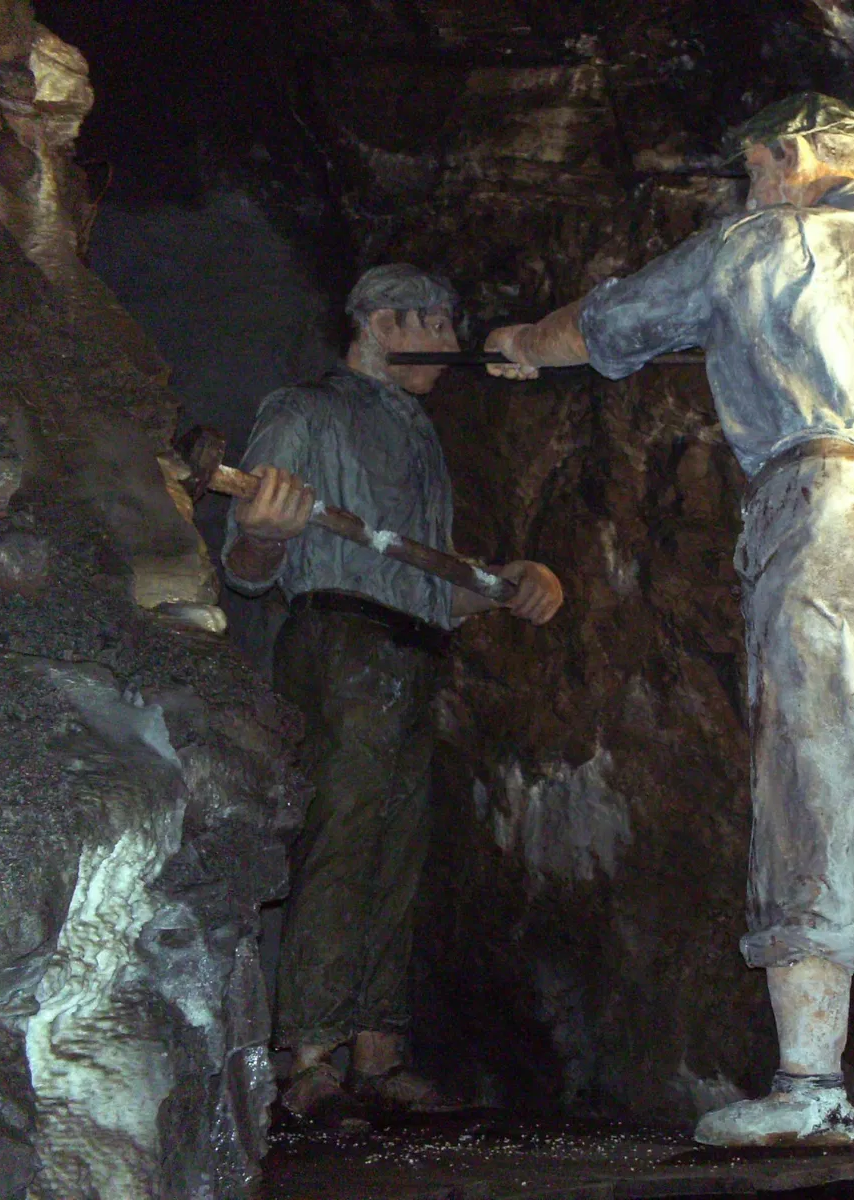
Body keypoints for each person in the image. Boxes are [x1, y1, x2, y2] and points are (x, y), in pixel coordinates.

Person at [484, 93, 854, 1146]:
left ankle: (811, 1085)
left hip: (836, 498)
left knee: (814, 773)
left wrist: (520, 341)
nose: (747, 185)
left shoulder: (759, 240)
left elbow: (611, 322)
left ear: (788, 156)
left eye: (751, 166)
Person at [222, 264, 563, 1119]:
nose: (450, 352)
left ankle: (376, 1049)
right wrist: (261, 536)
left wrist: (506, 584)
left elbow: (432, 584)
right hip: (338, 639)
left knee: (398, 844)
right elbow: (248, 567)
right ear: (379, 322)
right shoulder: (305, 413)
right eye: (436, 330)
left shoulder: (416, 435)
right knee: (344, 832)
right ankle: (309, 1058)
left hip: (411, 650)